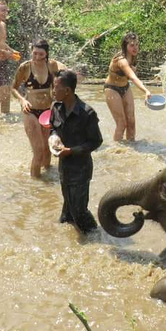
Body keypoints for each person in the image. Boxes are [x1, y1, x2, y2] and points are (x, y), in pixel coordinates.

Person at [50, 69, 103, 233]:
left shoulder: (87, 113)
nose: (53, 91)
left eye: (55, 87)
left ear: (67, 91)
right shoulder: (56, 107)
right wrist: (53, 138)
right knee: (67, 211)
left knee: (79, 212)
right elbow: (52, 127)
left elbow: (96, 141)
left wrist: (71, 151)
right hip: (64, 167)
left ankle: (96, 236)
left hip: (80, 170)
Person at [11, 39, 67, 178]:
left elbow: (57, 87)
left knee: (48, 149)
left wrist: (59, 102)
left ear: (46, 54)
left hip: (48, 111)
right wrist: (22, 100)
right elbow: (13, 88)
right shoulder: (25, 67)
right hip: (30, 111)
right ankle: (35, 183)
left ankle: (46, 181)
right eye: (34, 53)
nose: (36, 57)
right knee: (38, 150)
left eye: (40, 54)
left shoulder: (52, 65)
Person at [103, 32, 152, 141]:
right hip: (112, 89)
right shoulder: (122, 61)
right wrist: (146, 91)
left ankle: (132, 147)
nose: (135, 48)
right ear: (125, 46)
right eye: (131, 45)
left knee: (131, 121)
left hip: (125, 87)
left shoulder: (133, 57)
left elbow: (131, 77)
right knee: (122, 124)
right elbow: (133, 77)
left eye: (136, 44)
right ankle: (117, 150)